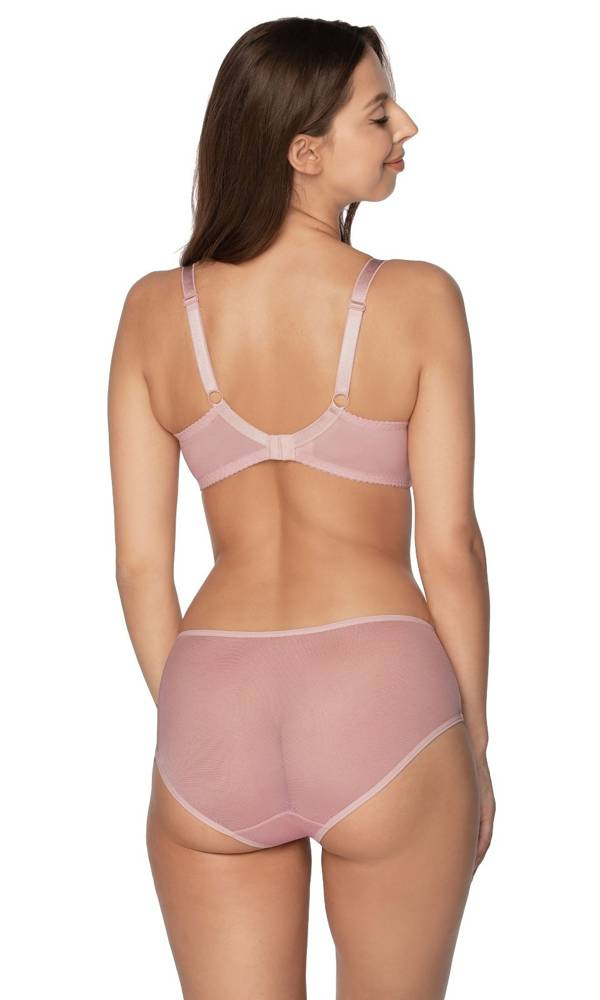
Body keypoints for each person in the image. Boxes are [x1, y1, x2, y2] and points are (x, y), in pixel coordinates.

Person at [108, 16, 495, 1000]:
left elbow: (142, 570)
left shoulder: (155, 312)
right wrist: (472, 740)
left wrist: (199, 720)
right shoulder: (417, 299)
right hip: (384, 701)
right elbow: (450, 546)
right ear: (304, 152)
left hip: (214, 699)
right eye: (379, 113)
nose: (406, 128)